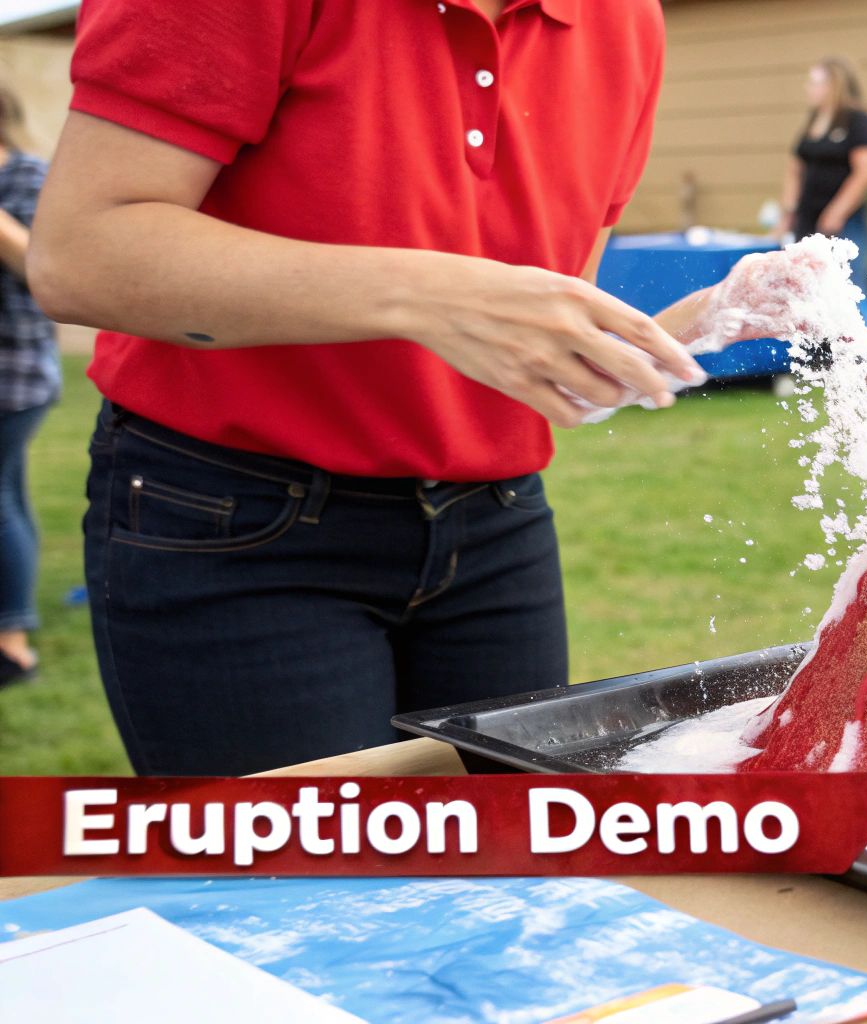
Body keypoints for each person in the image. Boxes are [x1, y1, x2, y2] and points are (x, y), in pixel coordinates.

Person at [28, 0, 819, 775]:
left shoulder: (625, 21)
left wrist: (694, 327)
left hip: (495, 527)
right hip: (236, 521)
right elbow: (79, 255)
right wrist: (429, 294)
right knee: (316, 898)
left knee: (518, 888)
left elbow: (531, 344)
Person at [0, 82, 55, 690]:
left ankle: (11, 642)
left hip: (13, 375)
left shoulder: (27, 177)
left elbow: (44, 267)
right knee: (6, 498)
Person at [780, 57, 867, 335]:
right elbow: (795, 167)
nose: (807, 88)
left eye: (814, 82)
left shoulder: (857, 121)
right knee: (810, 293)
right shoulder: (814, 122)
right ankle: (818, 364)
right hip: (808, 221)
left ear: (832, 85)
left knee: (851, 290)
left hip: (844, 224)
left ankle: (865, 363)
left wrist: (837, 211)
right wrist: (789, 211)